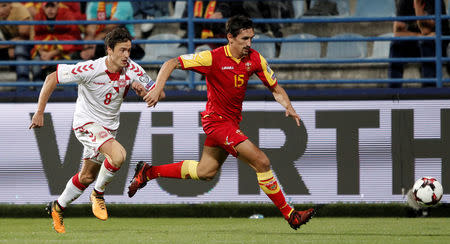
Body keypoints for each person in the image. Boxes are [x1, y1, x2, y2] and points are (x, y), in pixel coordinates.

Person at [128, 15, 315, 230]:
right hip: (216, 123)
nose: (249, 43)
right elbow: (171, 63)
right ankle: (291, 215)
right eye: (244, 39)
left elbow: (275, 88)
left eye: (251, 38)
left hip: (230, 124)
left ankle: (148, 173)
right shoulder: (212, 58)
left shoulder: (255, 59)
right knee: (261, 161)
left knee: (205, 172)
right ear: (230, 38)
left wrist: (288, 106)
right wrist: (157, 88)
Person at [29, 27, 164, 234]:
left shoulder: (134, 70)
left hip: (109, 130)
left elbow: (160, 93)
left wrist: (146, 92)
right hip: (86, 124)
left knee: (87, 176)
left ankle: (57, 207)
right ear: (109, 50)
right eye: (122, 50)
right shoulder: (91, 69)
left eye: (129, 50)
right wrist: (39, 113)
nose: (126, 55)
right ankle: (98, 195)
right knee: (118, 156)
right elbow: (51, 78)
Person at [389, 0, 450, 88]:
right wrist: (419, 36)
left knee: (427, 43)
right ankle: (393, 92)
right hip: (418, 42)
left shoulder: (436, 2)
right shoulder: (404, 2)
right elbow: (397, 33)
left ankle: (429, 91)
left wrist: (417, 5)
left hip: (438, 45)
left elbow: (426, 30)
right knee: (396, 45)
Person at [31, 2, 82, 81]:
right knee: (36, 68)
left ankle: (68, 92)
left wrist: (51, 54)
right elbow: (37, 37)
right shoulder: (39, 16)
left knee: (66, 71)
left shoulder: (67, 15)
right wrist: (42, 53)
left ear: (58, 5)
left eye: (52, 6)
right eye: (47, 7)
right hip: (44, 51)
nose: (50, 10)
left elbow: (73, 38)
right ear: (43, 7)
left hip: (64, 52)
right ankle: (38, 92)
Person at [0, 2, 32, 82]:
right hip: (10, 45)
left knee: (20, 49)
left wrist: (7, 45)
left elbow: (24, 37)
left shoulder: (19, 9)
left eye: (4, 5)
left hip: (30, 43)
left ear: (10, 5)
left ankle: (22, 87)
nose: (1, 10)